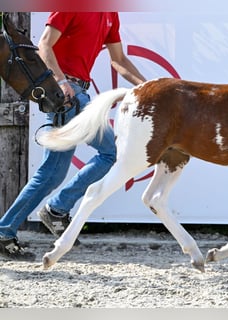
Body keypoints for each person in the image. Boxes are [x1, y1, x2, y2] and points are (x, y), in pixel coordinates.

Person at [0, 12, 146, 261]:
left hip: (75, 94)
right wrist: (61, 81)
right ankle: (55, 209)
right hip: (66, 93)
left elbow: (118, 59)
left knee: (51, 174)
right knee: (110, 152)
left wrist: (149, 86)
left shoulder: (110, 15)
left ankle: (8, 230)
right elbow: (44, 44)